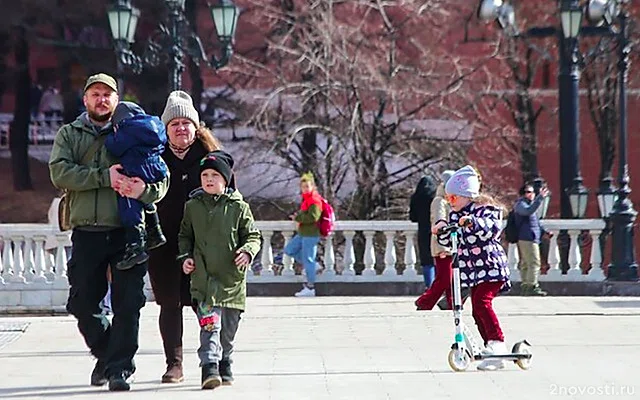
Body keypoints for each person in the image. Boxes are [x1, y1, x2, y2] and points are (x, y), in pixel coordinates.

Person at [48, 73, 169, 391]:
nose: (101, 99)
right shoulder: (70, 134)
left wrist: (144, 190)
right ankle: (105, 354)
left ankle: (119, 369)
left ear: (117, 100)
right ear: (85, 100)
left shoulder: (134, 130)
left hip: (127, 233)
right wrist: (104, 177)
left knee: (129, 304)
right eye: (95, 94)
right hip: (87, 231)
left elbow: (160, 178)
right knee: (82, 303)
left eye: (107, 94)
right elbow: (59, 173)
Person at [148, 90, 222, 384]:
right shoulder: (154, 159)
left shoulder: (212, 160)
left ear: (196, 127)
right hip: (163, 243)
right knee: (169, 303)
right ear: (166, 129)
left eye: (186, 123)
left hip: (201, 245)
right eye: (174, 124)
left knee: (204, 302)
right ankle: (174, 363)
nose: (180, 128)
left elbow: (232, 201)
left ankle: (213, 361)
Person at [178, 150, 261, 389]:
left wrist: (247, 251)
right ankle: (209, 368)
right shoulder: (193, 206)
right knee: (210, 326)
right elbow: (185, 236)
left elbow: (253, 235)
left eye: (215, 175)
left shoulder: (239, 207)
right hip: (204, 281)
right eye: (205, 175)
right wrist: (185, 257)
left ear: (225, 179)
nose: (209, 179)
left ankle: (225, 361)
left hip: (231, 281)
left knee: (228, 331)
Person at [433, 165, 511, 371]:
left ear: (466, 196)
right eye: (448, 199)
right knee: (477, 310)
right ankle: (491, 347)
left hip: (491, 267)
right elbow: (451, 242)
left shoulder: (485, 210)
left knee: (481, 302)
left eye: (453, 199)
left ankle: (497, 343)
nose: (450, 203)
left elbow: (491, 229)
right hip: (472, 272)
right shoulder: (454, 216)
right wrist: (441, 230)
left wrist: (473, 222)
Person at [105, 101, 168, 270]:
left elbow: (114, 146)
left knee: (129, 202)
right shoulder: (155, 125)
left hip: (136, 168)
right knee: (146, 198)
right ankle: (155, 230)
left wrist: (110, 135)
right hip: (157, 168)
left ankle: (136, 245)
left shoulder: (126, 130)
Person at [414, 170, 455, 310]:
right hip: (442, 244)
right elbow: (439, 223)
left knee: (451, 277)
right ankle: (425, 301)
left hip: (452, 244)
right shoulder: (439, 201)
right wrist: (443, 248)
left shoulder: (450, 200)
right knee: (444, 277)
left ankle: (452, 302)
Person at [284, 172, 323, 297]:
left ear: (313, 187)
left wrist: (298, 217)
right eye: (303, 187)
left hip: (311, 234)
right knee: (289, 250)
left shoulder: (314, 200)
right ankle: (314, 266)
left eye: (307, 186)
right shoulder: (307, 199)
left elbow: (313, 217)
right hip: (303, 232)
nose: (305, 189)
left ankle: (310, 288)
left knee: (308, 259)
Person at [514, 183, 550, 296]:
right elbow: (528, 211)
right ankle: (532, 286)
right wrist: (540, 198)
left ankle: (525, 286)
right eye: (528, 192)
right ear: (523, 194)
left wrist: (545, 232)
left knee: (526, 263)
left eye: (532, 192)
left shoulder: (529, 204)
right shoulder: (521, 204)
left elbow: (535, 223)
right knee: (534, 262)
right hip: (526, 238)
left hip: (531, 236)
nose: (531, 194)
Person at [409, 173, 437, 287]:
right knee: (439, 259)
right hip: (436, 230)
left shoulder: (416, 197)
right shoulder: (435, 198)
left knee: (426, 261)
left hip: (423, 231)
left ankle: (429, 286)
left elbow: (413, 217)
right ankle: (439, 286)